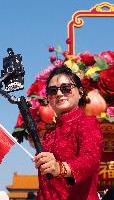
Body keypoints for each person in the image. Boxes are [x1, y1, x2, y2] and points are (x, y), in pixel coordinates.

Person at [33, 66, 104, 200]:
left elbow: (90, 160)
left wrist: (60, 168)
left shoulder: (87, 123)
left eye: (66, 88)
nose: (59, 94)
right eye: (53, 90)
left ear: (80, 92)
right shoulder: (49, 134)